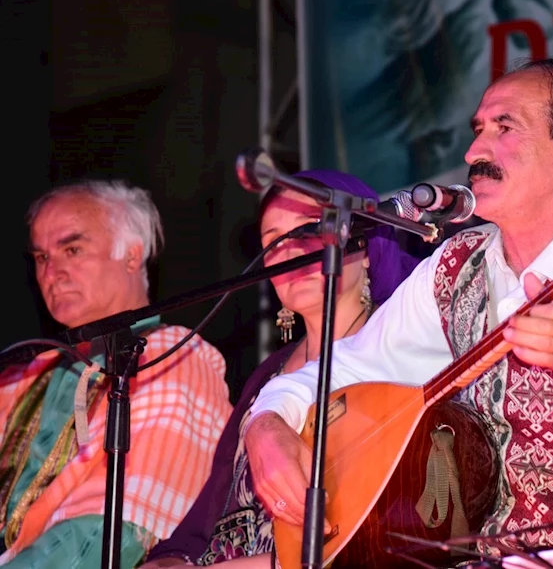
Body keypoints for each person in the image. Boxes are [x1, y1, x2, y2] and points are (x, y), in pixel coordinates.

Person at [244, 58, 553, 568]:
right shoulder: (457, 266)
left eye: (505, 128)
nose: (474, 152)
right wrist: (269, 422)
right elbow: (349, 366)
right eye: (479, 130)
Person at [138, 170, 419, 567]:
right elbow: (202, 521)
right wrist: (170, 561)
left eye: (310, 229)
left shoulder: (401, 350)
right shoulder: (268, 376)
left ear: (367, 246)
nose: (290, 251)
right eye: (274, 241)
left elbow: (383, 527)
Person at [0, 179, 232, 568]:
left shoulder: (176, 358)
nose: (52, 272)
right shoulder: (29, 372)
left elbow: (111, 536)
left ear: (131, 255)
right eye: (41, 257)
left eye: (72, 250)